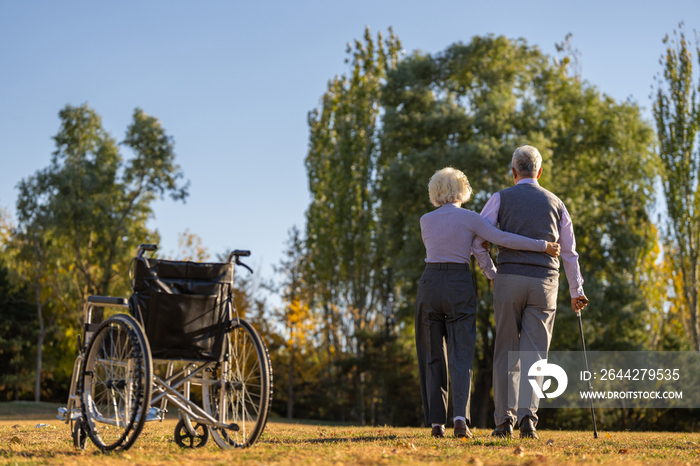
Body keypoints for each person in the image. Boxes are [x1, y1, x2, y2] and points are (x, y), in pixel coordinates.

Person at [416, 167, 561, 439]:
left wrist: (491, 272)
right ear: (462, 190)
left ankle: (437, 424)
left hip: (429, 285)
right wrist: (542, 246)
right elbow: (503, 239)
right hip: (459, 284)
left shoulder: (425, 219)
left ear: (435, 192)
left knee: (432, 355)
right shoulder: (470, 219)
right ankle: (460, 421)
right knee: (461, 355)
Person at [475, 145, 588, 439]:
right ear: (539, 172)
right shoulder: (556, 202)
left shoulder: (500, 197)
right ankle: (528, 420)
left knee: (506, 351)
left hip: (509, 278)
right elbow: (570, 252)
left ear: (514, 172)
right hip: (544, 284)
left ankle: (503, 422)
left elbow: (479, 241)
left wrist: (492, 273)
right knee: (535, 354)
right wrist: (576, 291)